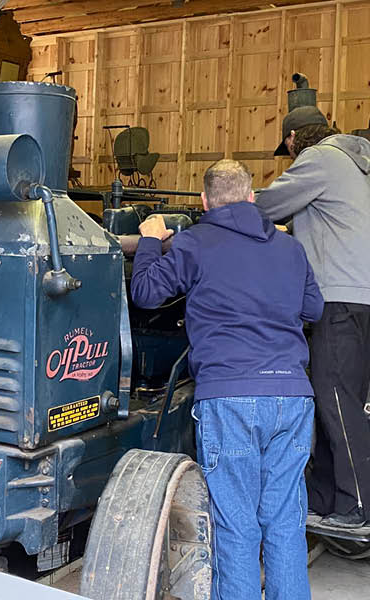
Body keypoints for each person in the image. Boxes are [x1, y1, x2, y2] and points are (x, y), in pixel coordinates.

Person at [131, 160, 323, 600]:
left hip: (230, 396)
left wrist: (146, 241)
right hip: (291, 397)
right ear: (252, 197)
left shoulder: (195, 243)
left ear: (204, 201)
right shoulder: (290, 248)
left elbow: (144, 292)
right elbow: (314, 310)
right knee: (284, 521)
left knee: (236, 525)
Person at [257, 112, 370, 529]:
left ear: (291, 139)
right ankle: (324, 500)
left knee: (338, 403)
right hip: (361, 299)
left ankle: (359, 507)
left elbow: (266, 206)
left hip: (340, 298)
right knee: (336, 402)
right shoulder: (355, 163)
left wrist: (221, 208)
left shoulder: (320, 159)